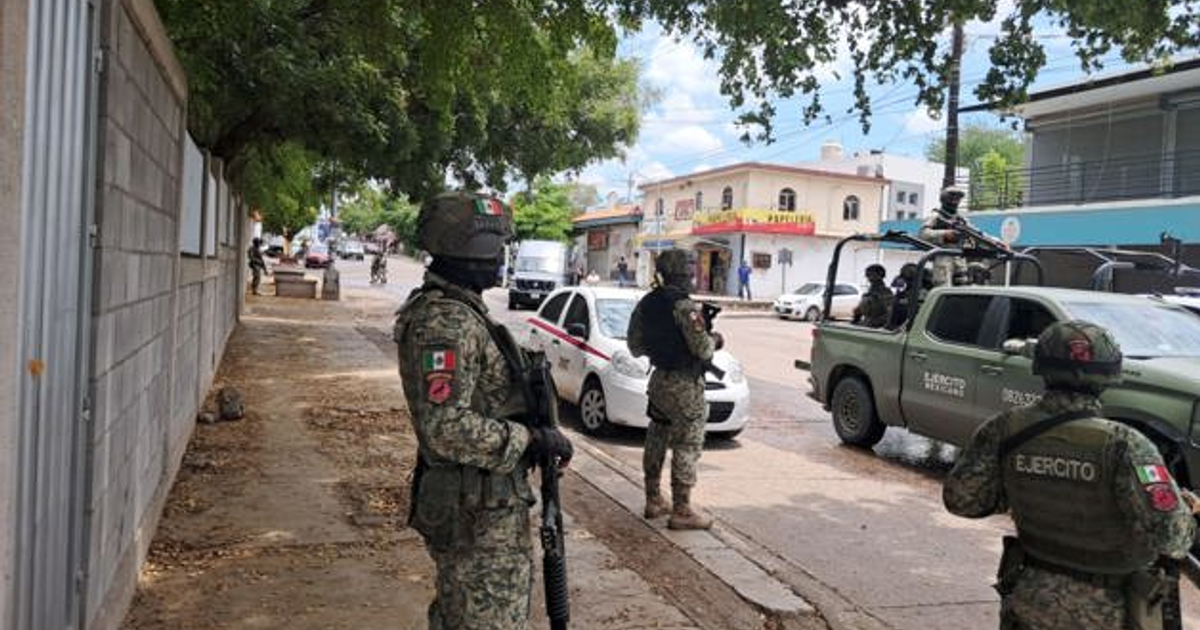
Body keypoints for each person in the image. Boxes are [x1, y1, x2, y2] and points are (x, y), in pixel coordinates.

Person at [393, 191, 574, 630]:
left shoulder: (460, 312)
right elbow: (444, 427)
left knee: (463, 614)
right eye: (496, 248)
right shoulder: (447, 322)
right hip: (476, 513)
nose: (502, 258)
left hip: (483, 506)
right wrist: (528, 440)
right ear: (469, 249)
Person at [944, 320, 1196, 630]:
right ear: (1108, 375)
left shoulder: (1004, 429)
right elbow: (1173, 538)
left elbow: (962, 500)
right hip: (1109, 610)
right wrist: (1184, 508)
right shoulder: (1126, 444)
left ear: (1042, 368)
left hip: (1030, 600)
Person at [627, 249, 720, 530]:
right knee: (687, 443)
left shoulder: (647, 303)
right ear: (681, 273)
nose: (693, 277)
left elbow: (635, 346)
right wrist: (714, 338)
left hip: (659, 381)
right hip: (684, 384)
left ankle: (653, 499)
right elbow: (703, 350)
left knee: (657, 435)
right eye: (689, 271)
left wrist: (663, 349)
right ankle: (681, 510)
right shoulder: (684, 306)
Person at [918, 186, 972, 286]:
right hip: (943, 255)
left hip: (959, 256)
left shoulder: (962, 220)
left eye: (957, 199)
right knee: (943, 286)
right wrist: (945, 234)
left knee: (963, 288)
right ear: (944, 200)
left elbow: (976, 234)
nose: (955, 202)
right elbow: (922, 234)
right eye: (952, 199)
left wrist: (997, 242)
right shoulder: (935, 216)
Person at [851, 264, 893, 328]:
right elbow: (859, 311)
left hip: (877, 327)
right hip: (867, 326)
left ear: (880, 276)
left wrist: (875, 323)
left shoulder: (885, 292)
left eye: (870, 275)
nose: (868, 278)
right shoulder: (869, 293)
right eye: (867, 275)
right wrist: (856, 317)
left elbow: (889, 312)